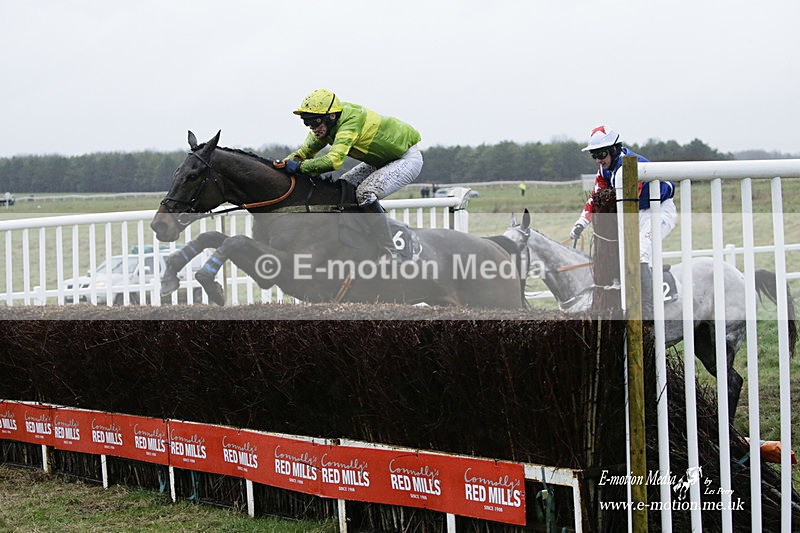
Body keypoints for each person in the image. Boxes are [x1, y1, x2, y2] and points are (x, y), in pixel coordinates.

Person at [276, 89, 423, 258]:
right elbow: (302, 154)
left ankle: (391, 250)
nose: (313, 128)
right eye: (307, 123)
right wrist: (279, 166)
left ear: (331, 116)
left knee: (365, 193)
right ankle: (363, 238)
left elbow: (333, 161)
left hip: (406, 159)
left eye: (315, 122)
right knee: (342, 189)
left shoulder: (351, 121)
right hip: (380, 161)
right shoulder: (327, 125)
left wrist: (299, 168)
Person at [569, 125, 677, 316]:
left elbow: (629, 204)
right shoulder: (604, 171)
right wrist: (581, 223)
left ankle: (647, 313)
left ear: (614, 149)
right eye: (593, 155)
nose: (598, 160)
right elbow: (594, 198)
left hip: (658, 212)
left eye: (601, 154)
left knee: (639, 255)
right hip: (636, 213)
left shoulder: (631, 166)